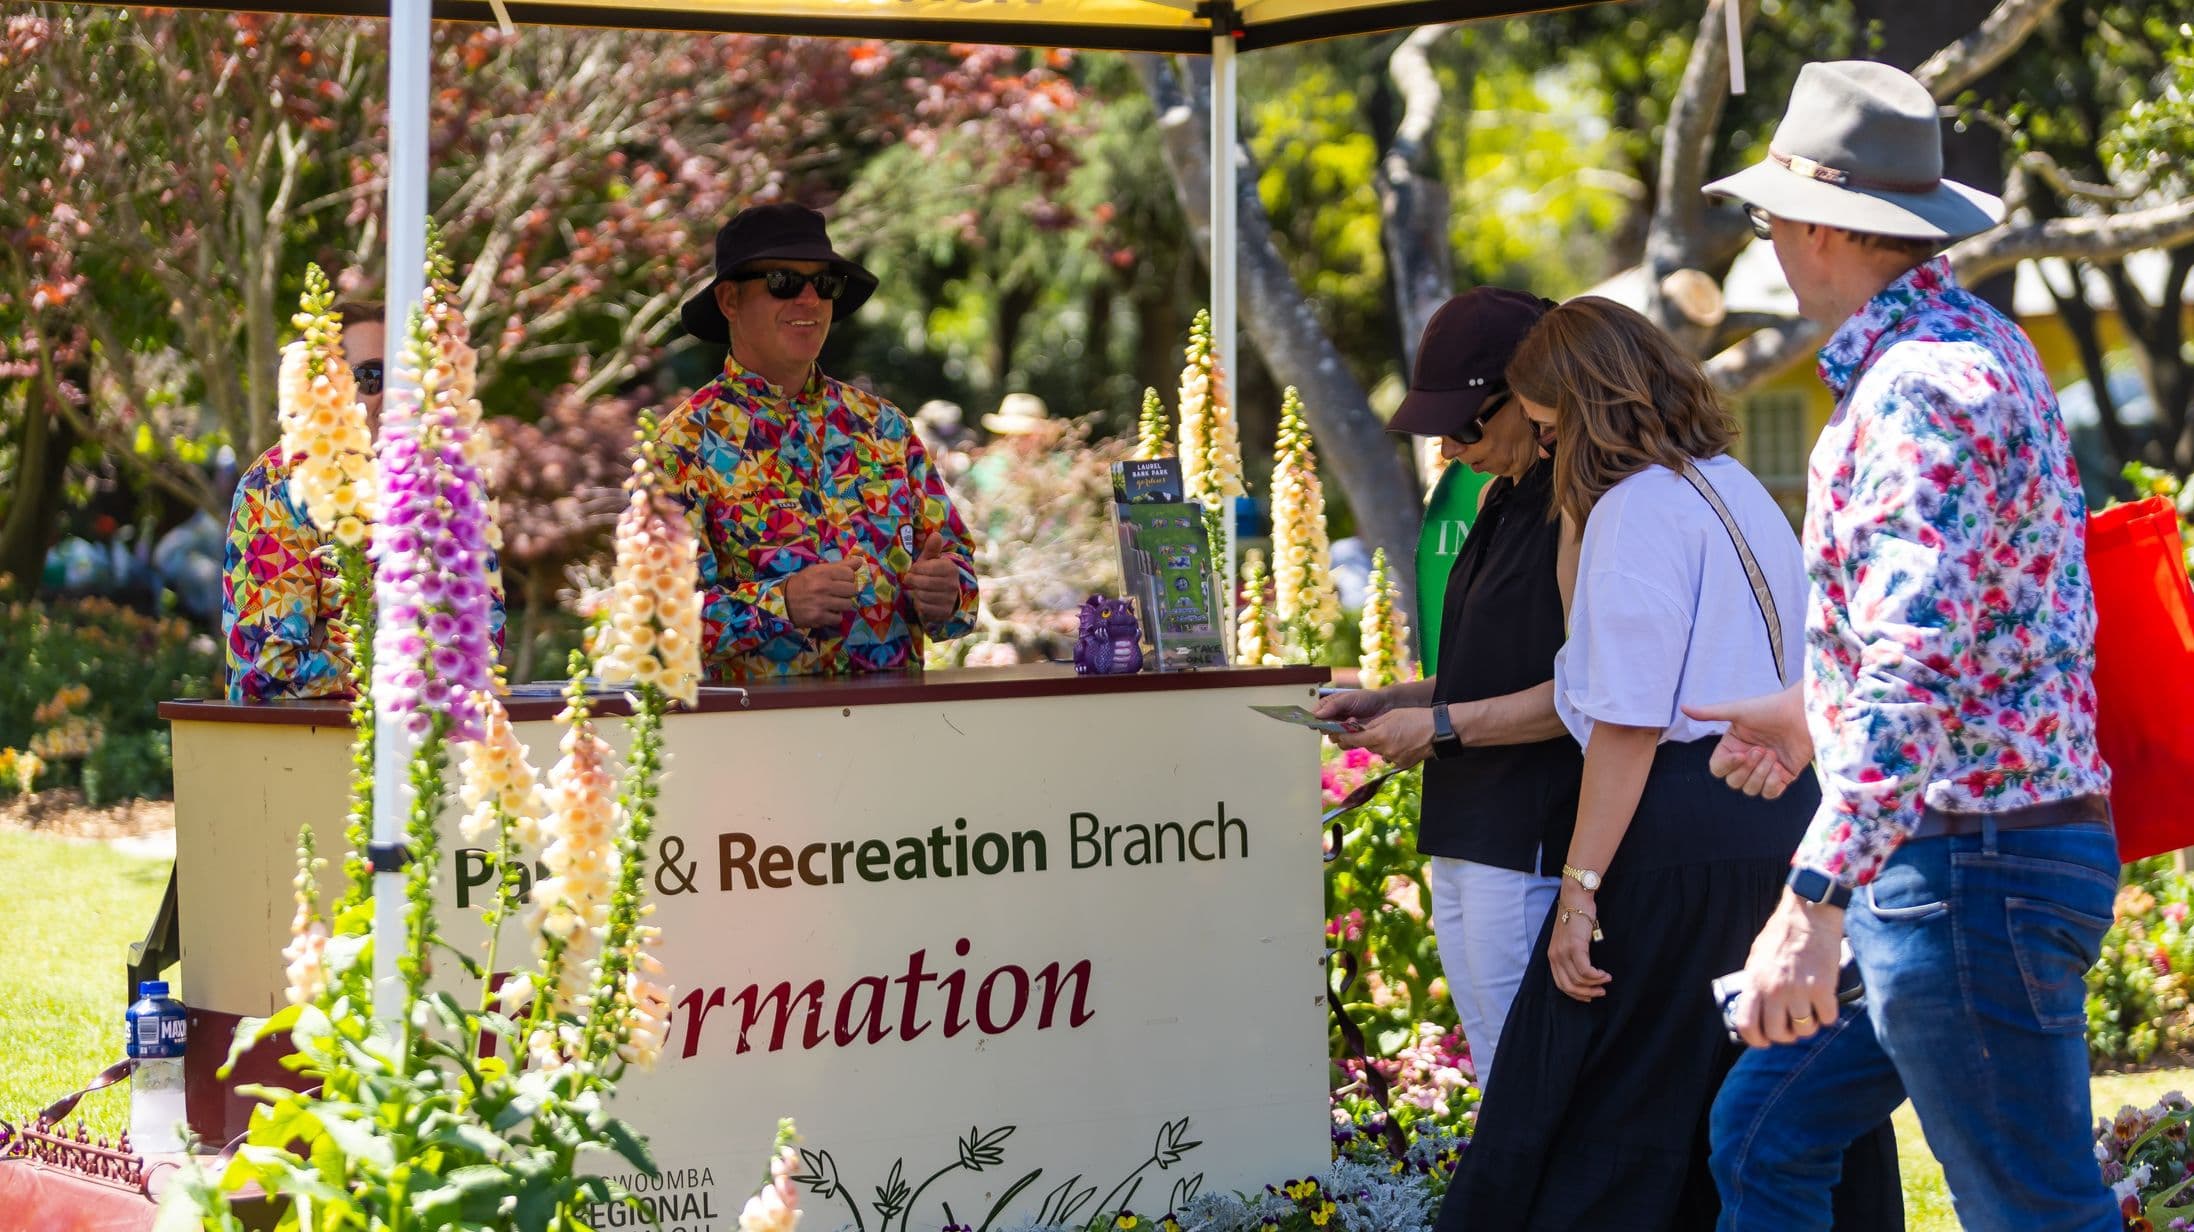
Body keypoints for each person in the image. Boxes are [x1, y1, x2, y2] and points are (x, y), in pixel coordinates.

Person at [1691, 60, 2117, 1232]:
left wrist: (1810, 897)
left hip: (1966, 866)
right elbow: (1971, 632)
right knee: (1761, 1133)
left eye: (1774, 210)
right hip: (1974, 853)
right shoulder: (1976, 346)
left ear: (1825, 225)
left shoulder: (1916, 389)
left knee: (2033, 1211)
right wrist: (1806, 711)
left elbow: (1917, 664)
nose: (1766, 234)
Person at [1434, 297, 1898, 1231]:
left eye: (1552, 427)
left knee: (1599, 1118)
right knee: (1763, 1106)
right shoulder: (1731, 483)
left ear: (1582, 411)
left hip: (1678, 829)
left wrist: (1579, 890)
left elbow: (1624, 722)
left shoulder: (1637, 509)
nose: (1551, 450)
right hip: (1776, 815)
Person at [1315, 287, 1581, 1093]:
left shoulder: (1577, 503)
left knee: (1522, 1077)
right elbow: (1486, 667)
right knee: (1496, 1067)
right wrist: (1392, 700)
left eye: (1465, 426)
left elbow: (1586, 690)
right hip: (1466, 820)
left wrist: (1440, 727)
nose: (1452, 452)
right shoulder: (1501, 498)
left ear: (1530, 394)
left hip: (1530, 829)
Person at [663, 203, 978, 680]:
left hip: (902, 731)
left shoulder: (884, 427)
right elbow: (659, 624)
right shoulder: (683, 444)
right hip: (763, 741)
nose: (809, 300)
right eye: (783, 283)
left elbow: (957, 565)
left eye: (824, 284)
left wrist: (949, 590)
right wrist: (779, 602)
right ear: (730, 301)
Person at [221, 303, 386, 702]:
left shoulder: (445, 486)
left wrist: (329, 639)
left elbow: (480, 648)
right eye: (372, 376)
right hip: (302, 755)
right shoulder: (277, 484)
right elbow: (269, 672)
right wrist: (409, 654)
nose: (392, 397)